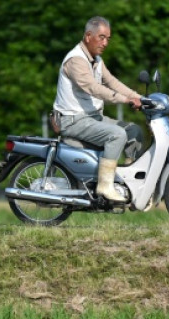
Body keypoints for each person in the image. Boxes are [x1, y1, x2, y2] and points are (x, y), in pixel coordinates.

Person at [53, 16, 144, 202]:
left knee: (134, 131)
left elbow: (112, 82)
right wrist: (125, 100)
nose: (105, 43)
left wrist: (140, 98)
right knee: (117, 134)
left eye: (108, 39)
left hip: (91, 118)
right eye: (101, 37)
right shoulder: (76, 60)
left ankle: (130, 182)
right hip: (72, 120)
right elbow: (93, 88)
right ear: (88, 36)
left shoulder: (97, 60)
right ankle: (105, 185)